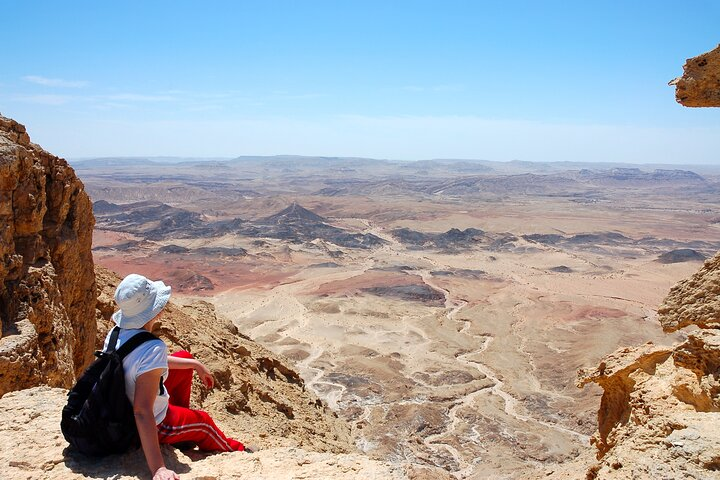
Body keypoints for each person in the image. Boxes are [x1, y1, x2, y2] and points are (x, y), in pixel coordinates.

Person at [106, 273, 247, 480]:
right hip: (153, 424)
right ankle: (237, 451)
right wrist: (158, 469)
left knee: (183, 359)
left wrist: (194, 363)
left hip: (121, 403)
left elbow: (143, 362)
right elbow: (142, 411)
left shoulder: (117, 333)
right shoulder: (153, 348)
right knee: (204, 422)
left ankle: (183, 437)